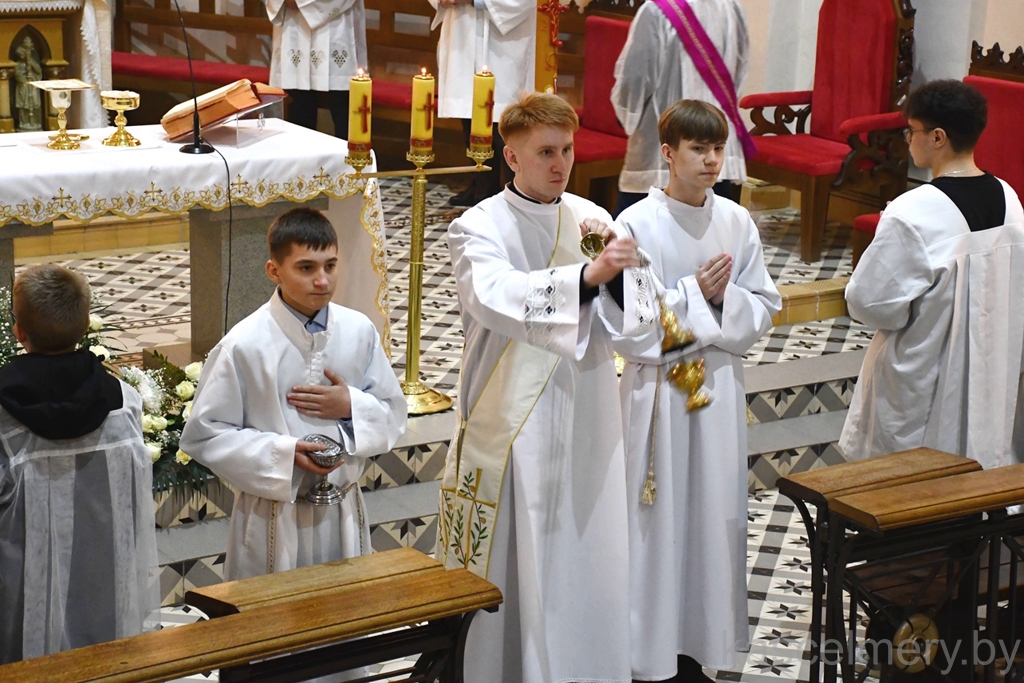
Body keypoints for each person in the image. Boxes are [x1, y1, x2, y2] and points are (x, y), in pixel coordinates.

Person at [437, 91, 657, 683]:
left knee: (584, 541)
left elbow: (641, 318)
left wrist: (616, 281)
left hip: (586, 407)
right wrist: (587, 277)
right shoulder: (477, 225)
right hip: (511, 418)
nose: (561, 164)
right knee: (517, 545)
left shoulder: (594, 218)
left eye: (566, 149)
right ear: (511, 156)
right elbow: (494, 297)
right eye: (545, 152)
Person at [614, 100, 780, 682]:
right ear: (668, 153)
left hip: (718, 390)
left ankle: (696, 648)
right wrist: (696, 295)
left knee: (712, 514)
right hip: (657, 395)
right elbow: (632, 327)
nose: (712, 160)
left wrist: (719, 299)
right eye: (698, 149)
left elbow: (763, 306)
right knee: (656, 523)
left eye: (718, 149)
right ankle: (646, 655)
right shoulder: (635, 224)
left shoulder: (736, 220)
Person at [180, 207, 405, 580]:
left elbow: (393, 413)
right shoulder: (244, 345)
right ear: (274, 271)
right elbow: (205, 435)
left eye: (330, 265)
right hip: (272, 516)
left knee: (343, 606)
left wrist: (351, 405)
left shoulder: (359, 330)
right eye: (306, 268)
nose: (322, 280)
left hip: (341, 510)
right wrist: (284, 454)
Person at [840, 79, 1024, 468]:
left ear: (938, 137)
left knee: (909, 479)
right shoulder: (1010, 198)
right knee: (977, 463)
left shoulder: (915, 211)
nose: (907, 139)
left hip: (927, 376)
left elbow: (868, 303)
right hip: (992, 368)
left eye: (912, 130)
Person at [0, 264, 159, 664]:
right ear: (86, 325)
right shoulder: (123, 401)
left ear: (19, 332)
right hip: (105, 580)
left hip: (20, 592)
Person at [611, 0, 751, 216]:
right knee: (713, 225)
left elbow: (635, 80)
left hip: (663, 151)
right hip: (715, 147)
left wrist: (627, 117)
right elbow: (739, 72)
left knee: (637, 229)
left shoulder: (655, 11)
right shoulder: (731, 7)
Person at [429, 0, 533, 205]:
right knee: (470, 114)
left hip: (503, 42)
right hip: (462, 32)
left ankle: (515, 193)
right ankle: (482, 184)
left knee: (502, 122)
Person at [265, 0, 366, 135]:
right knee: (299, 98)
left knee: (341, 102)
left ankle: (348, 148)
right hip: (294, 27)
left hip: (336, 25)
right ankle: (301, 149)